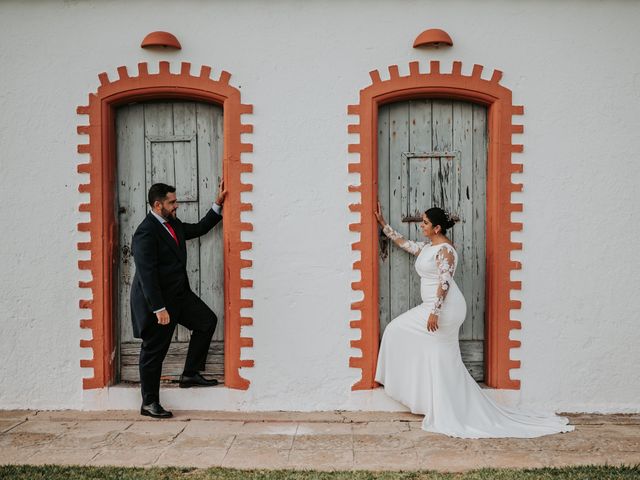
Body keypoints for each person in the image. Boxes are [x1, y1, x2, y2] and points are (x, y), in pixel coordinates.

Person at [374, 202, 574, 438]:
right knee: (399, 332)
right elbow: (407, 245)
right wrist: (385, 227)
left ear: (437, 228)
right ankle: (432, 401)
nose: (421, 226)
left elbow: (444, 282)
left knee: (441, 354)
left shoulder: (446, 251)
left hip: (445, 308)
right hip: (431, 307)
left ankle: (448, 408)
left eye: (425, 223)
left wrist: (435, 312)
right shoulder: (429, 247)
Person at [130, 181, 227, 418]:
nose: (177, 205)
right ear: (157, 204)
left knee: (206, 322)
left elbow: (199, 228)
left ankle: (190, 373)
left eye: (175, 201)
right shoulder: (145, 232)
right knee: (153, 351)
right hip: (158, 303)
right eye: (172, 202)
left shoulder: (172, 224)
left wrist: (218, 203)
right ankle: (149, 403)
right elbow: (147, 274)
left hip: (179, 296)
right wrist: (159, 308)